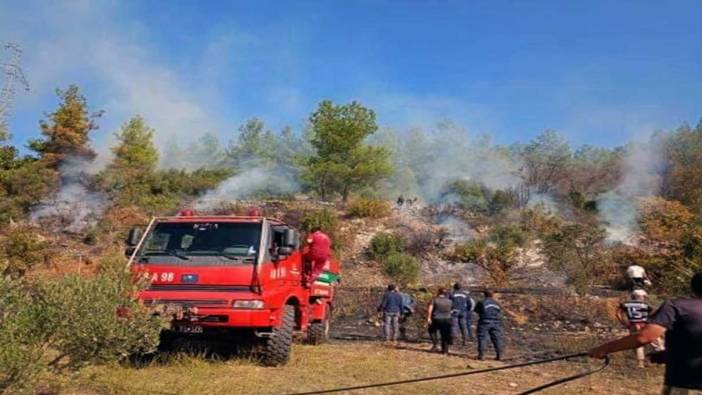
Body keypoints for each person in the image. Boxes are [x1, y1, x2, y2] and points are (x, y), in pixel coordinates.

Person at [589, 271, 702, 394]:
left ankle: (640, 362)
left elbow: (643, 337)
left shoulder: (677, 306)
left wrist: (603, 349)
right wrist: (668, 355)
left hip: (688, 385)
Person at [617, 289, 653, 368]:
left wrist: (623, 322)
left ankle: (641, 363)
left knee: (637, 344)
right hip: (644, 324)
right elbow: (653, 313)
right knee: (652, 341)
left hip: (633, 325)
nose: (644, 298)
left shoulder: (626, 304)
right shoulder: (645, 304)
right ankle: (651, 359)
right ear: (640, 296)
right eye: (643, 296)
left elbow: (618, 313)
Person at [475, 289, 504, 360]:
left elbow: (476, 310)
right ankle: (499, 355)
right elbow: (499, 312)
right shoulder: (497, 303)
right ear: (492, 295)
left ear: (484, 294)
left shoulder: (481, 302)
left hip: (484, 321)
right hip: (495, 322)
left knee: (482, 338)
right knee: (497, 338)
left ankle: (482, 355)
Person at [427, 288, 453, 354]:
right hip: (447, 319)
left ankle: (435, 344)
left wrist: (429, 317)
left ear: (439, 292)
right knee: (445, 335)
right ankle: (445, 350)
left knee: (432, 331)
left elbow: (430, 309)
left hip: (436, 318)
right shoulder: (450, 301)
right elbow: (452, 310)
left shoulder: (434, 300)